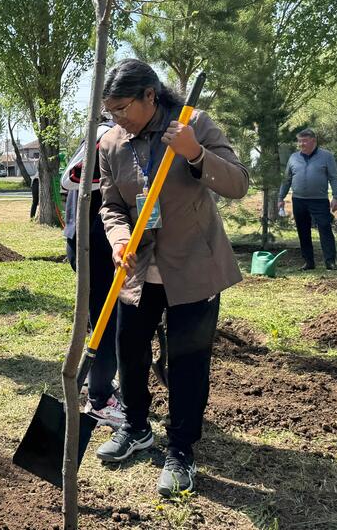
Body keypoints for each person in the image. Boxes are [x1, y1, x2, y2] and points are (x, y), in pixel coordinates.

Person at [95, 59, 249, 497]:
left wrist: (195, 153)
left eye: (123, 108)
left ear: (150, 95)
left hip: (193, 268)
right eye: (111, 111)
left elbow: (238, 183)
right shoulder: (112, 144)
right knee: (131, 353)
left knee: (187, 362)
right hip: (138, 271)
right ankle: (137, 427)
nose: (117, 119)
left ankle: (180, 448)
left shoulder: (192, 124)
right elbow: (109, 205)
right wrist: (119, 239)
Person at [62, 120, 123, 428]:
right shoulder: (106, 136)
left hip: (86, 241)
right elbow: (70, 179)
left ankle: (95, 383)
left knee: (98, 319)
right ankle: (99, 400)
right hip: (95, 245)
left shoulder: (96, 134)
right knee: (107, 322)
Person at [278, 129, 337, 271]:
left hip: (319, 200)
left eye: (304, 141)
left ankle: (330, 262)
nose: (301, 144)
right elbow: (286, 179)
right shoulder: (293, 157)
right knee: (303, 230)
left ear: (313, 141)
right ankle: (308, 262)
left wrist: (336, 197)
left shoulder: (327, 156)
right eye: (299, 141)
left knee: (325, 229)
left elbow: (333, 177)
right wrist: (281, 197)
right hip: (299, 200)